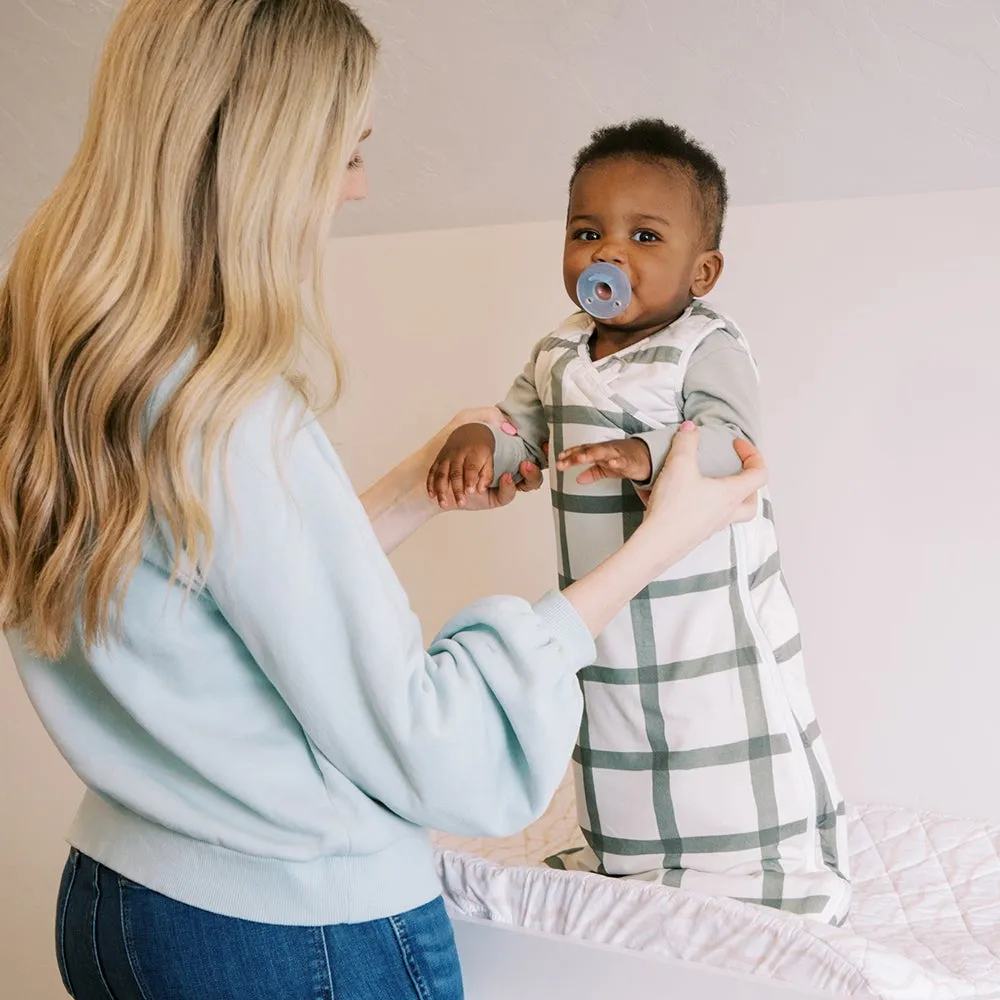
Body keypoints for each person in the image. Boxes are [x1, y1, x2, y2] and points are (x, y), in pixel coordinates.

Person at [0, 4, 768, 999]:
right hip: (281, 928)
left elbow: (203, 597)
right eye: (349, 151)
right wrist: (653, 546)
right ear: (268, 157)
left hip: (116, 901)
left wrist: (410, 490)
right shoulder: (232, 410)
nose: (360, 187)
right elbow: (433, 746)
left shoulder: (70, 351)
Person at [429, 119, 850, 924]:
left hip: (703, 606)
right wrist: (479, 438)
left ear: (704, 269)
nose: (607, 255)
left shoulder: (706, 346)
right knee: (621, 726)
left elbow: (736, 445)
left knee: (713, 730)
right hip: (605, 607)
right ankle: (632, 860)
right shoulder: (559, 350)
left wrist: (647, 452)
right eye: (587, 232)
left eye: (643, 236)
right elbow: (522, 422)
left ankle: (758, 870)